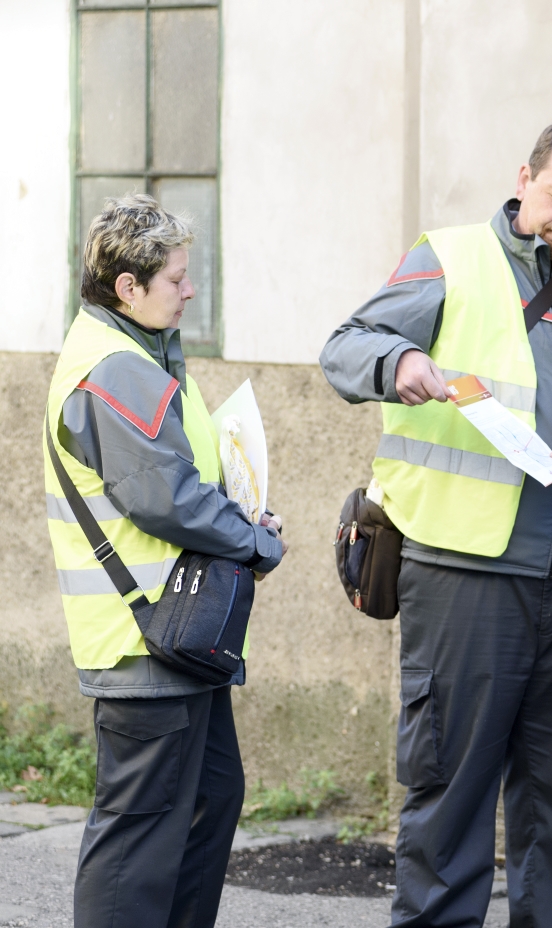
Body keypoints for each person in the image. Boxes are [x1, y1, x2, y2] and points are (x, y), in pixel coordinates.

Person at [319, 108, 552, 928]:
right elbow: (344, 350)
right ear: (524, 180)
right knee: (449, 804)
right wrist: (402, 359)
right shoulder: (447, 259)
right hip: (463, 581)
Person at [42, 194, 287, 928]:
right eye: (177, 279)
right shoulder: (115, 369)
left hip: (174, 636)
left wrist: (240, 512)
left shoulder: (140, 353)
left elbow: (180, 485)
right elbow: (167, 500)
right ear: (129, 287)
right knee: (140, 834)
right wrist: (255, 541)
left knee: (211, 798)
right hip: (143, 641)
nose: (188, 291)